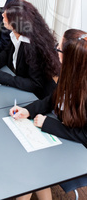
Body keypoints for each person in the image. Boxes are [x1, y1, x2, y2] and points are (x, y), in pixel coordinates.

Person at [9, 29, 87, 200]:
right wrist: (28, 110)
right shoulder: (71, 74)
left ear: (71, 58)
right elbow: (52, 99)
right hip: (65, 137)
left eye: (58, 49)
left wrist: (48, 124)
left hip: (79, 153)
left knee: (29, 170)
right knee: (31, 166)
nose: (56, 51)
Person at [0, 0, 60, 99]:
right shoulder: (16, 34)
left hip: (34, 97)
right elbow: (7, 52)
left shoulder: (33, 47)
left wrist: (1, 77)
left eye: (7, 15)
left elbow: (35, 84)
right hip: (18, 89)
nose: (3, 15)